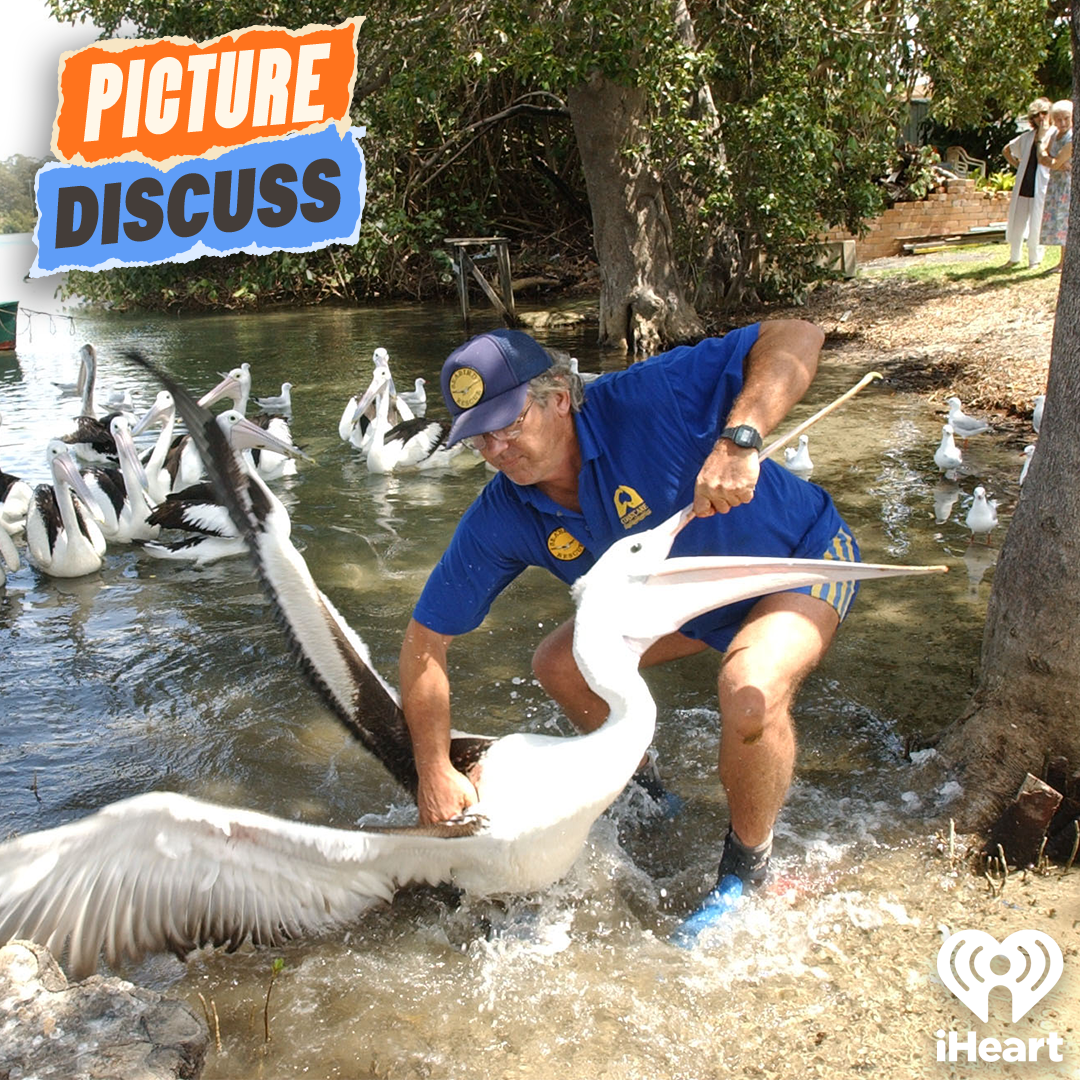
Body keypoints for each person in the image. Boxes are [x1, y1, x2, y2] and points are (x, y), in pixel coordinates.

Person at [398, 322, 859, 908]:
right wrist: (434, 769)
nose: (496, 451)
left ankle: (748, 867)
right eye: (478, 438)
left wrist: (740, 439)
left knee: (750, 689)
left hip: (800, 562)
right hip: (686, 609)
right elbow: (424, 638)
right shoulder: (502, 513)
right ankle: (649, 796)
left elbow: (798, 335)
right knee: (558, 664)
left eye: (508, 425)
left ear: (559, 397)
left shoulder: (650, 397)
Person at [1003, 97, 1052, 268]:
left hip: (1042, 185)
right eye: (1037, 115)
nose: (1041, 118)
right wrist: (1018, 165)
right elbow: (1007, 150)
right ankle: (1014, 257)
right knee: (1018, 222)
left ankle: (1034, 259)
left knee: (1037, 222)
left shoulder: (1052, 135)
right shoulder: (1027, 137)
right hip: (1025, 184)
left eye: (1044, 113)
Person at [1039, 99, 1073, 273]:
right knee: (1060, 223)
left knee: (1067, 221)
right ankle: (1062, 262)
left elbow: (1053, 161)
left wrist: (1052, 161)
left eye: (1066, 118)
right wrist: (1052, 161)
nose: (1062, 123)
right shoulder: (1054, 135)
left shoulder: (1072, 136)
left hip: (1068, 184)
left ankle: (1064, 264)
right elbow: (1043, 156)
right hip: (1056, 184)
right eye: (1058, 119)